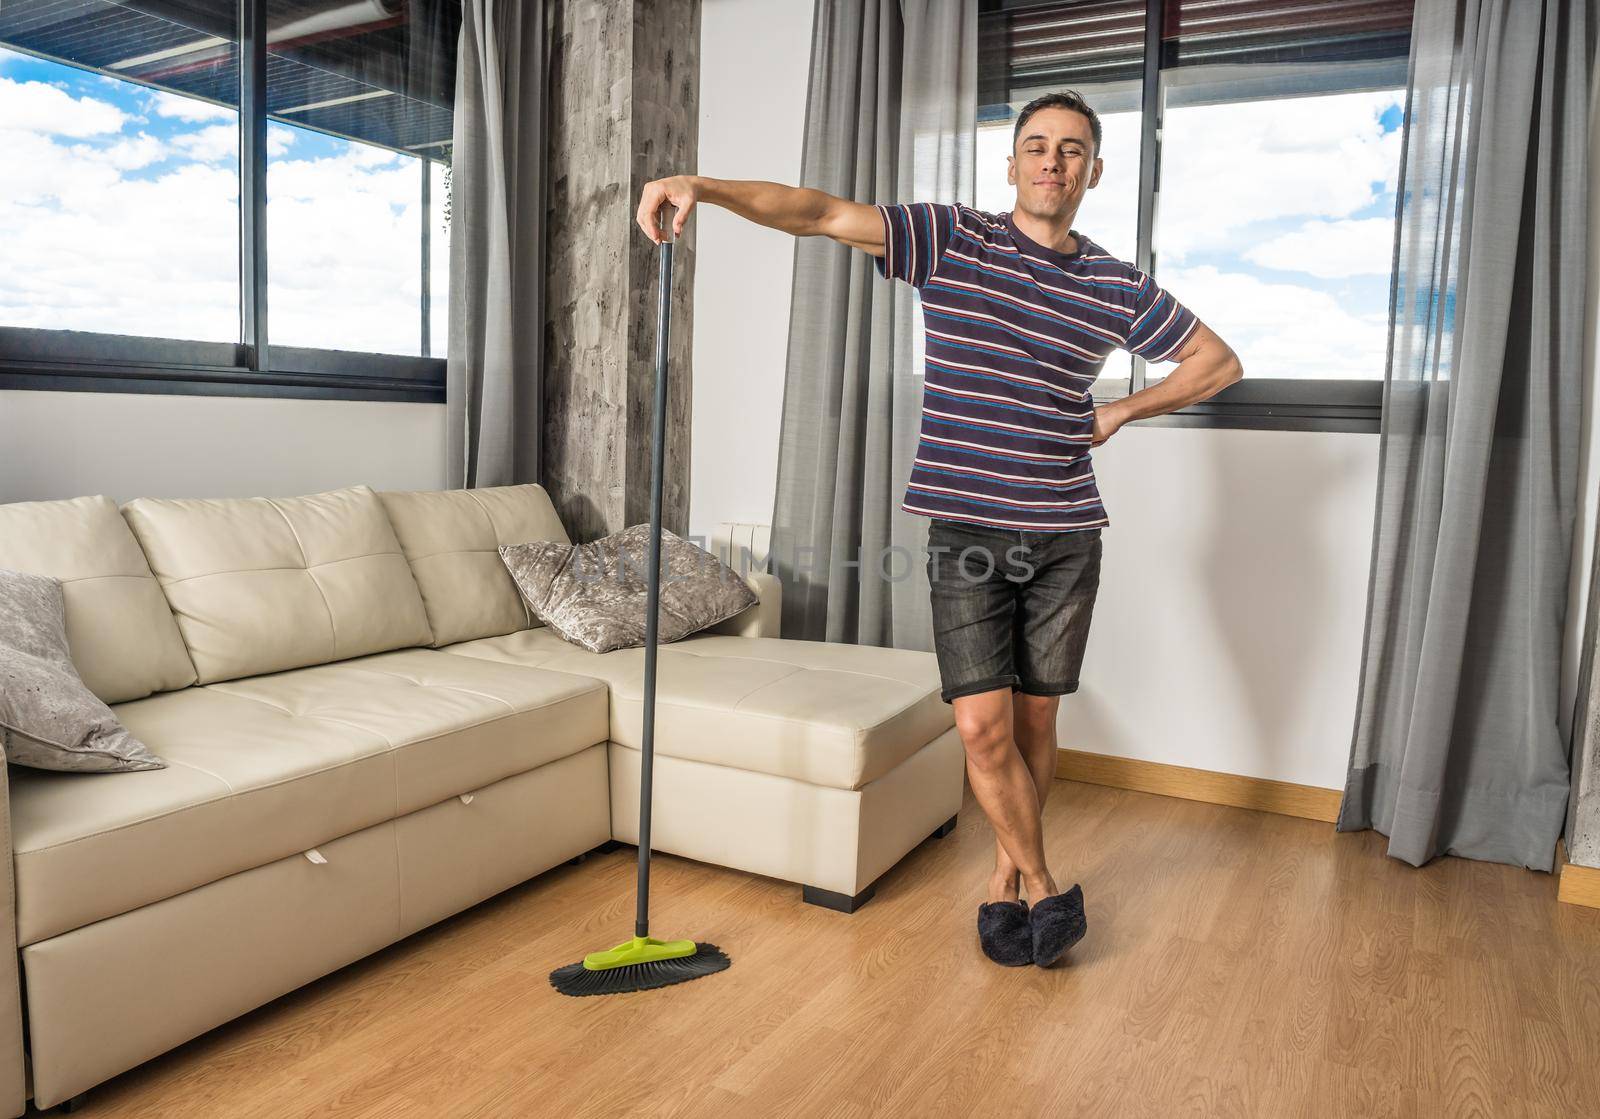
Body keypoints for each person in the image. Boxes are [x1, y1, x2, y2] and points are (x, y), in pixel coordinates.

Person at [634, 90, 1242, 967]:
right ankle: (1044, 884)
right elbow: (815, 213)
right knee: (982, 727)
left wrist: (1120, 411)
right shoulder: (956, 237)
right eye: (1037, 145)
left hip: (1068, 534)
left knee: (1035, 725)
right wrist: (706, 186)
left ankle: (1001, 883)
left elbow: (1217, 362)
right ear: (1012, 163)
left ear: (1094, 172)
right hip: (966, 531)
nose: (1052, 162)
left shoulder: (1114, 282)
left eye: (1072, 151)